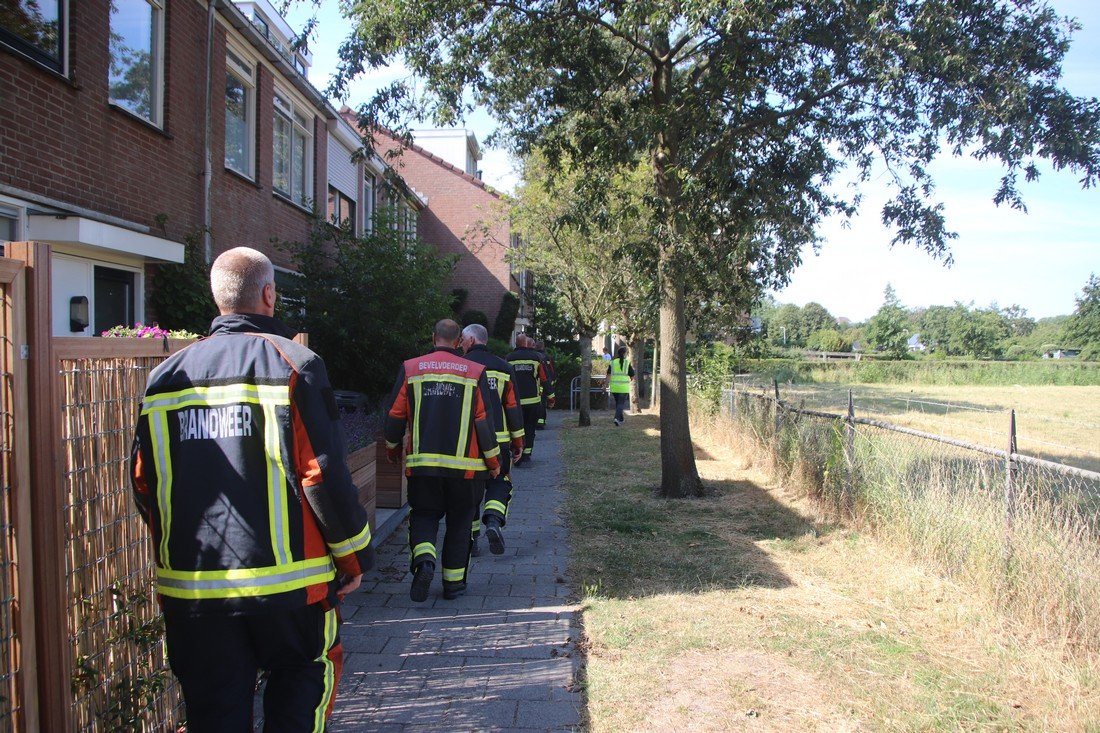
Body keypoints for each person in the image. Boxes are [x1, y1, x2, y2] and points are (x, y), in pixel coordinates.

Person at [131, 247, 373, 731]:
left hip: (195, 591)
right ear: (268, 294)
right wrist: (353, 559)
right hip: (291, 593)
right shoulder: (293, 363)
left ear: (218, 298)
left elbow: (143, 480)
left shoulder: (164, 379)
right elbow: (320, 473)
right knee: (300, 695)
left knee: (215, 713)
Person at [383, 319, 502, 601]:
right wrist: (494, 463)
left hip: (423, 468)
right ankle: (453, 584)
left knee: (424, 516)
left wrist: (392, 448)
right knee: (460, 525)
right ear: (460, 339)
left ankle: (424, 563)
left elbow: (394, 415)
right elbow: (484, 423)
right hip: (467, 470)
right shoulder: (475, 372)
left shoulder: (411, 368)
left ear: (433, 336)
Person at [460, 324, 525, 556]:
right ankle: (494, 522)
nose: (460, 344)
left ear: (470, 340)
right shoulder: (504, 367)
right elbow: (513, 408)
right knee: (500, 483)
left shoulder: (461, 368)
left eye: (462, 340)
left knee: (471, 490)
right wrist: (519, 442)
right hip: (500, 441)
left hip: (469, 443)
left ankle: (472, 539)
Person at [506, 334, 550, 461]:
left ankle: (516, 452)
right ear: (526, 344)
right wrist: (551, 396)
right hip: (533, 402)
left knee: (515, 427)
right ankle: (526, 454)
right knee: (530, 428)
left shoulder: (509, 358)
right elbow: (543, 378)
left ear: (516, 343)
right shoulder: (535, 358)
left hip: (514, 402)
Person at [607, 345, 635, 425]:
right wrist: (630, 379)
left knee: (618, 403)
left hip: (614, 387)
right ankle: (616, 418)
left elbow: (608, 374)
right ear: (625, 354)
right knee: (620, 404)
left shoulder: (612, 362)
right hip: (624, 387)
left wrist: (606, 384)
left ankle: (621, 419)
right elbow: (632, 376)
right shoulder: (627, 363)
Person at [533, 340, 557, 431]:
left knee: (537, 403)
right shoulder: (547, 357)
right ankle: (541, 422)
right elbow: (552, 371)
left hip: (536, 384)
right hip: (546, 384)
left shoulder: (534, 357)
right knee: (542, 402)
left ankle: (536, 421)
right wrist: (551, 383)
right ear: (543, 347)